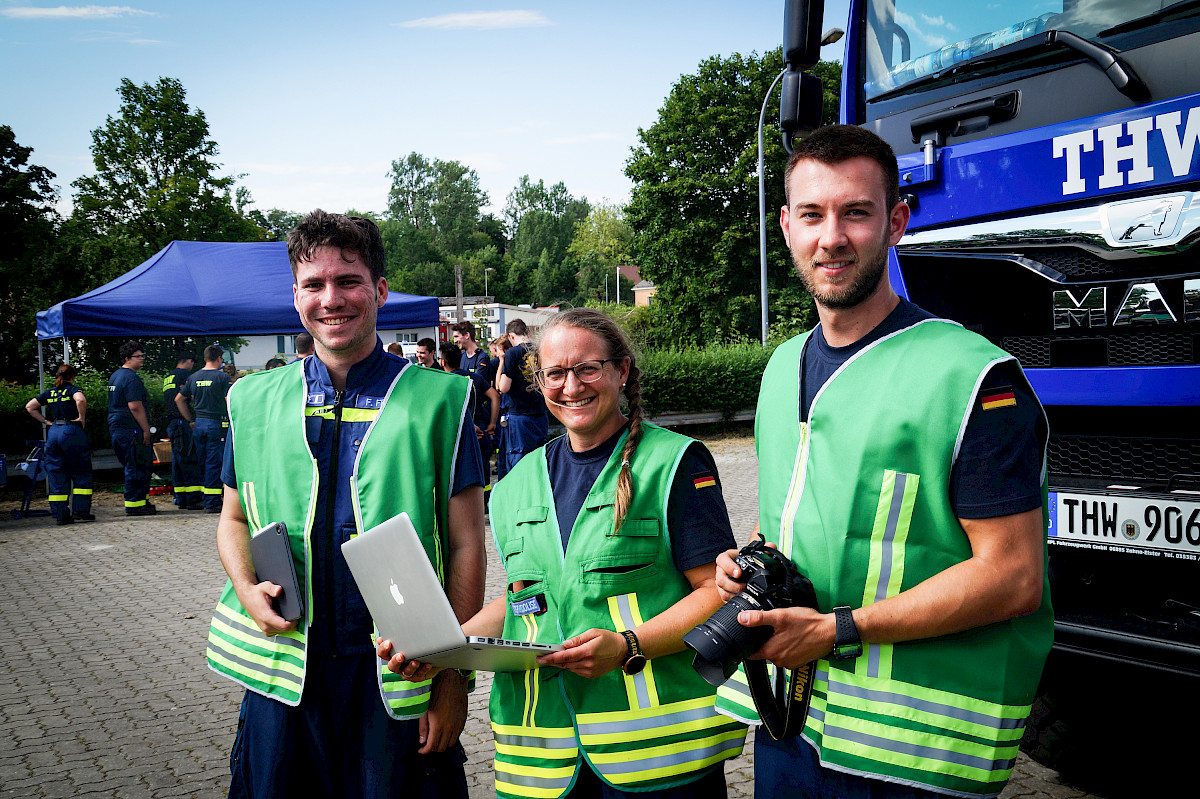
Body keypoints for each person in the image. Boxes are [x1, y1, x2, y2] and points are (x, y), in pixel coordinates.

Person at [713, 125, 1053, 799]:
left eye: (856, 212)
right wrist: (749, 559)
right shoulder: (782, 367)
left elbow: (1015, 577)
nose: (830, 236)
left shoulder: (972, 375)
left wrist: (839, 628)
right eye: (811, 214)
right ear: (785, 226)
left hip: (917, 753)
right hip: (791, 725)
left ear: (896, 221)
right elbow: (809, 519)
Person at [381, 308, 747, 798]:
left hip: (657, 759)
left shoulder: (673, 463)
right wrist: (443, 649)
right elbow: (526, 603)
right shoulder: (515, 485)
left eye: (587, 369)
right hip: (542, 761)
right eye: (555, 373)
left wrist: (627, 645)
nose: (571, 386)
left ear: (622, 371)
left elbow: (718, 594)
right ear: (539, 381)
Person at [205, 209, 485, 799]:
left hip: (395, 667)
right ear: (296, 297)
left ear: (380, 290)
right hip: (283, 670)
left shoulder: (443, 397)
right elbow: (234, 518)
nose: (332, 298)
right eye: (315, 284)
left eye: (349, 280)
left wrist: (454, 677)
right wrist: (247, 586)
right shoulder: (251, 398)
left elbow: (464, 543)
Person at [25, 364, 94, 524]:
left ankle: (60, 514)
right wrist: (81, 417)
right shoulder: (73, 390)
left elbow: (30, 406)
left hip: (54, 431)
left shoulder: (50, 392)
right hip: (71, 431)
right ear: (72, 377)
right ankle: (81, 511)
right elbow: (81, 400)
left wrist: (45, 421)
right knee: (81, 472)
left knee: (56, 473)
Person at [176, 345, 233, 515]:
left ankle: (202, 497)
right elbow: (228, 400)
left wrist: (190, 419)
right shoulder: (222, 377)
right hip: (216, 424)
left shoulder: (193, 377)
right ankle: (212, 502)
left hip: (199, 423)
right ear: (219, 359)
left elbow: (179, 399)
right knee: (214, 463)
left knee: (201, 461)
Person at [439, 342, 499, 490]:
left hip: (457, 435)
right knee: (483, 467)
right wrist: (492, 423)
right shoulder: (475, 378)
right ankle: (484, 501)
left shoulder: (443, 381)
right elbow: (495, 396)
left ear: (442, 361)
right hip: (481, 432)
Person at [107, 340, 156, 516]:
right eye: (138, 356)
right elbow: (135, 406)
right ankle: (135, 505)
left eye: (142, 355)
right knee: (137, 466)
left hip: (118, 428)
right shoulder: (131, 378)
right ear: (127, 358)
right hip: (131, 429)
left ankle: (138, 502)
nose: (142, 359)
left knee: (131, 465)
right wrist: (145, 429)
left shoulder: (116, 376)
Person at [495, 318, 548, 474]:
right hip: (540, 413)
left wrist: (502, 361)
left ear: (511, 336)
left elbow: (503, 387)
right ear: (526, 332)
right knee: (539, 458)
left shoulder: (513, 353)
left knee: (520, 462)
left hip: (520, 416)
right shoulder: (541, 350)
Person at [164, 352, 203, 510]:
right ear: (188, 361)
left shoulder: (169, 377)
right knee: (189, 460)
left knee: (178, 462)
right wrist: (190, 420)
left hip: (172, 423)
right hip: (182, 423)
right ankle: (192, 499)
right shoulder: (185, 375)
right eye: (192, 363)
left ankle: (180, 497)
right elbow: (185, 398)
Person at [488, 335, 513, 480]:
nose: (497, 354)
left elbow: (499, 386)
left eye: (499, 350)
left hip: (508, 411)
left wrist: (502, 360)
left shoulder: (505, 361)